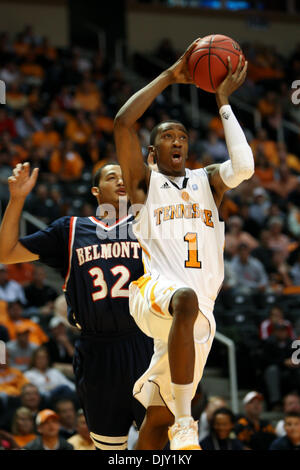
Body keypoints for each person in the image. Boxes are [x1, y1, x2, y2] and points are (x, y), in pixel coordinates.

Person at [114, 40, 254, 450]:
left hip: (197, 320)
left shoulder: (207, 180)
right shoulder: (145, 184)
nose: (177, 142)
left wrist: (223, 100)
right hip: (152, 293)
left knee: (155, 423)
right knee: (185, 298)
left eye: (182, 137)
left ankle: (169, 425)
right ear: (152, 152)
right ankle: (188, 422)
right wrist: (170, 76)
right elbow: (123, 123)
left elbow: (244, 166)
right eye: (167, 137)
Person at [0, 160, 153, 450]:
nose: (121, 181)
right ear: (96, 190)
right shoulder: (70, 230)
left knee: (160, 444)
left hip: (143, 343)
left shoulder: (147, 225)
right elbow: (6, 253)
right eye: (111, 177)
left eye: (125, 176)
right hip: (97, 350)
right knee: (109, 447)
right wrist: (17, 198)